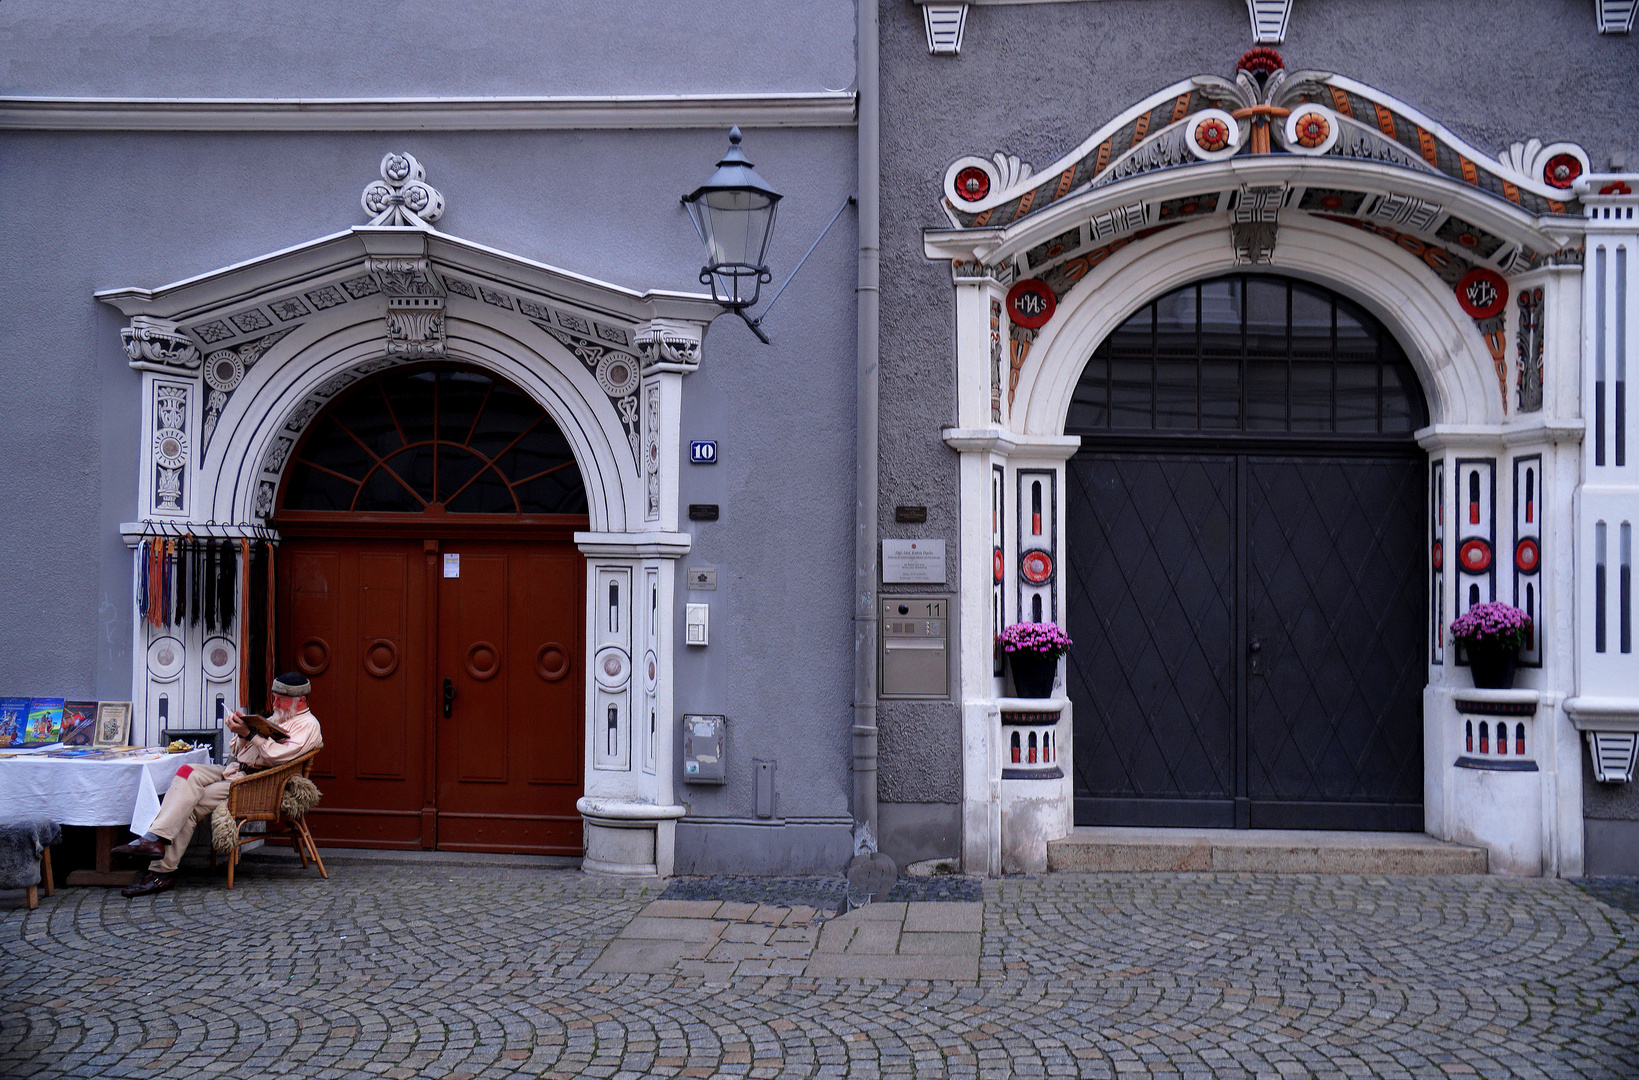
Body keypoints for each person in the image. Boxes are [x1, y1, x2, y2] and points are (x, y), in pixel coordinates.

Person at [114, 672, 323, 897]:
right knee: (187, 772)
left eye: (279, 699)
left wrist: (250, 734)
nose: (274, 704)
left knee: (192, 803)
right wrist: (241, 731)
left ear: (300, 700)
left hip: (259, 783)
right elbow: (236, 750)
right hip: (235, 771)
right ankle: (155, 838)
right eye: (273, 698)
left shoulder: (308, 725)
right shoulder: (276, 718)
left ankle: (161, 872)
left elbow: (277, 757)